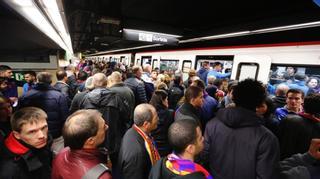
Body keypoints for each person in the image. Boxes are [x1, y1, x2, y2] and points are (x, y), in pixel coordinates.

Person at [202, 79, 280, 179]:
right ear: (260, 102)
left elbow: (205, 157)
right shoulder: (267, 138)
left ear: (234, 97)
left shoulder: (212, 124)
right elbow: (266, 174)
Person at [52, 109, 112, 179]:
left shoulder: (61, 154)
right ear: (90, 141)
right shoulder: (102, 177)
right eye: (103, 127)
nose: (107, 127)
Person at [18, 72, 69, 154]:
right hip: (56, 135)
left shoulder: (25, 96)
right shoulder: (59, 96)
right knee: (57, 156)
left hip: (33, 135)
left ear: (37, 80)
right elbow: (65, 117)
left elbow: (20, 116)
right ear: (51, 81)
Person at [0, 107, 52, 179]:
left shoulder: (41, 142)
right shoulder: (10, 170)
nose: (42, 136)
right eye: (32, 132)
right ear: (17, 135)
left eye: (43, 128)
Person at [118, 104, 160, 179]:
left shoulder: (133, 131)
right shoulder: (137, 153)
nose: (158, 119)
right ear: (146, 124)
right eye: (156, 117)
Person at [279, 93, 320, 159]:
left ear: (303, 105)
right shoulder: (317, 127)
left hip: (283, 162)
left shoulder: (288, 119)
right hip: (306, 166)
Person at [149, 90, 174, 157]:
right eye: (166, 99)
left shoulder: (149, 113)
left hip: (152, 145)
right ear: (162, 101)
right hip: (166, 145)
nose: (167, 101)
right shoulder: (170, 113)